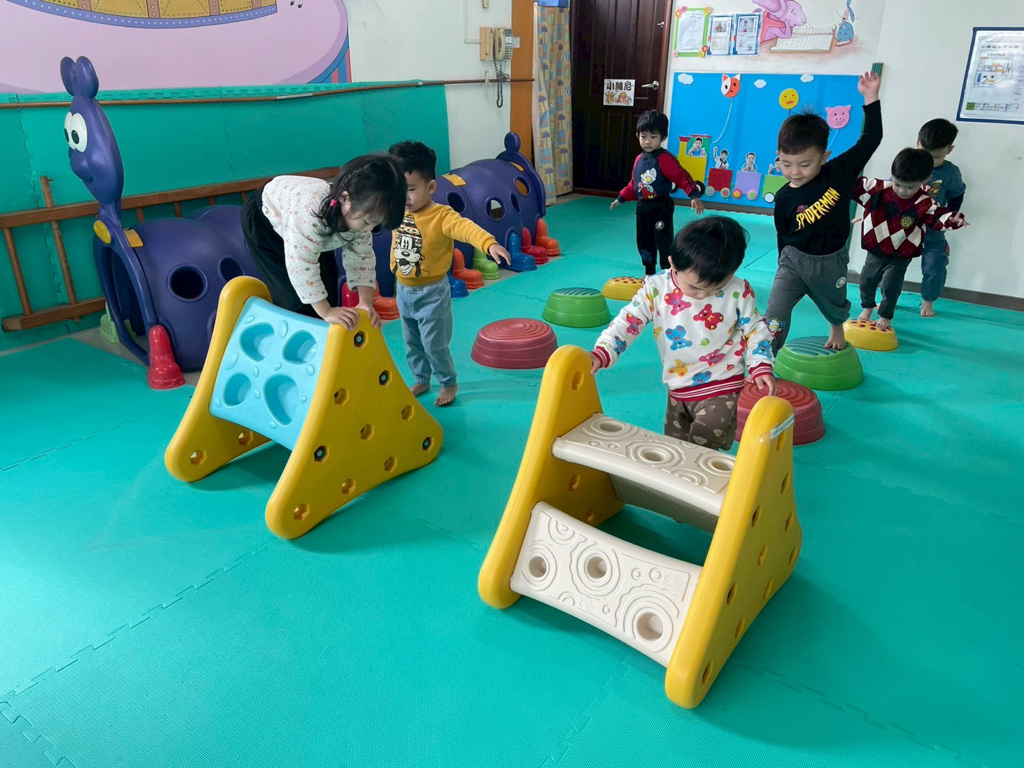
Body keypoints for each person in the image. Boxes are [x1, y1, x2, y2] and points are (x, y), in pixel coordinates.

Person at [589, 216, 776, 451]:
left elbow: (756, 329)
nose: (702, 295)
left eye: (715, 289)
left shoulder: (738, 291)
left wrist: (761, 364)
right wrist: (603, 351)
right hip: (678, 385)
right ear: (672, 263)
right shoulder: (656, 288)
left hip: (722, 384)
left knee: (701, 450)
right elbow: (628, 321)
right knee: (675, 448)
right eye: (694, 287)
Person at [764, 70, 882, 353]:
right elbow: (782, 233)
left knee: (835, 304)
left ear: (824, 157)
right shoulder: (783, 197)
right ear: (778, 157)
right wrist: (782, 261)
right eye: (786, 164)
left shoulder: (838, 172)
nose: (795, 172)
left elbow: (871, 139)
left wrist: (871, 97)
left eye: (805, 164)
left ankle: (836, 325)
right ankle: (765, 359)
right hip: (793, 261)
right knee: (774, 316)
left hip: (830, 261)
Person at [388, 140, 511, 406]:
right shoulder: (396, 211)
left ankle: (448, 382)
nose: (404, 197)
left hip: (431, 293)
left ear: (431, 187)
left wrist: (489, 243)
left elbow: (467, 228)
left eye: (411, 189)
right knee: (412, 343)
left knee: (434, 344)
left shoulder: (442, 216)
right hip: (403, 290)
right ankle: (421, 378)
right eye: (398, 190)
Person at [242, 155, 406, 329]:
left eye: (375, 224)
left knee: (327, 286)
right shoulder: (310, 214)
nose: (369, 228)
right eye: (367, 222)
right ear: (344, 198)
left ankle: (323, 329)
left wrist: (365, 302)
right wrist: (326, 312)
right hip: (266, 221)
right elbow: (301, 265)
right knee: (294, 299)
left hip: (316, 225)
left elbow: (362, 258)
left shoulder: (359, 213)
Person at [854, 148, 967, 330]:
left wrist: (953, 219)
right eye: (898, 184)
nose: (902, 191)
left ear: (924, 181)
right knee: (866, 280)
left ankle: (885, 316)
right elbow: (852, 184)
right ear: (893, 176)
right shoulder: (878, 189)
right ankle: (867, 308)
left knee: (890, 286)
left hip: (901, 254)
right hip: (876, 249)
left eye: (910, 187)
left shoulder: (925, 202)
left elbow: (939, 216)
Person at [610, 110, 706, 275]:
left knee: (663, 239)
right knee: (643, 240)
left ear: (663, 137)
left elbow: (682, 176)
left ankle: (668, 272)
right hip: (643, 208)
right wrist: (621, 198)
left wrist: (693, 195)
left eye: (653, 137)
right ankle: (649, 272)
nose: (648, 141)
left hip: (661, 206)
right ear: (637, 136)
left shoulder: (665, 158)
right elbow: (634, 184)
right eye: (643, 136)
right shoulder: (639, 160)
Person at [916, 118, 967, 318]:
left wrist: (951, 217)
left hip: (933, 228)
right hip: (904, 226)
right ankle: (887, 298)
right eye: (925, 154)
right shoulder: (909, 162)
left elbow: (957, 194)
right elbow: (889, 191)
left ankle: (928, 300)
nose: (928, 161)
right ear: (917, 143)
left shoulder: (950, 172)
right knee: (891, 265)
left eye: (936, 157)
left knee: (935, 266)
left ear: (949, 150)